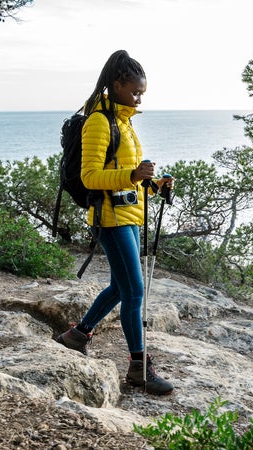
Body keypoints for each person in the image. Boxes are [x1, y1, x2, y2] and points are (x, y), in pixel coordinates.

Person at [55, 50, 174, 396]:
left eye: (142, 93)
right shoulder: (98, 121)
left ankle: (77, 335)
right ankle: (138, 368)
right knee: (134, 291)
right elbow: (90, 177)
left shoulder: (124, 123)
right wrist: (133, 174)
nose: (139, 99)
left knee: (121, 288)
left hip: (130, 216)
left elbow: (128, 176)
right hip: (109, 218)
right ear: (117, 84)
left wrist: (153, 184)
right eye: (135, 92)